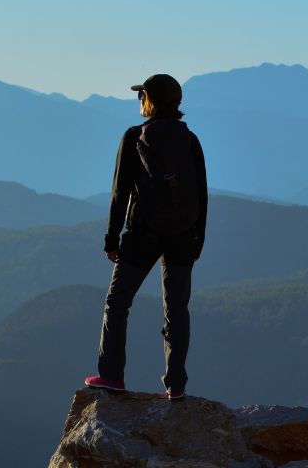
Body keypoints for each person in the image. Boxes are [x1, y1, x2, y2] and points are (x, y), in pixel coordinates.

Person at [84, 74, 207, 400]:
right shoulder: (190, 140)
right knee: (177, 309)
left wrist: (112, 239)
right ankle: (176, 385)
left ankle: (111, 375)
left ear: (151, 100)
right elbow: (202, 193)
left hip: (143, 234)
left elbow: (119, 193)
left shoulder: (135, 137)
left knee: (117, 303)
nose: (139, 101)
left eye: (142, 96)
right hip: (183, 234)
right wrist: (198, 239)